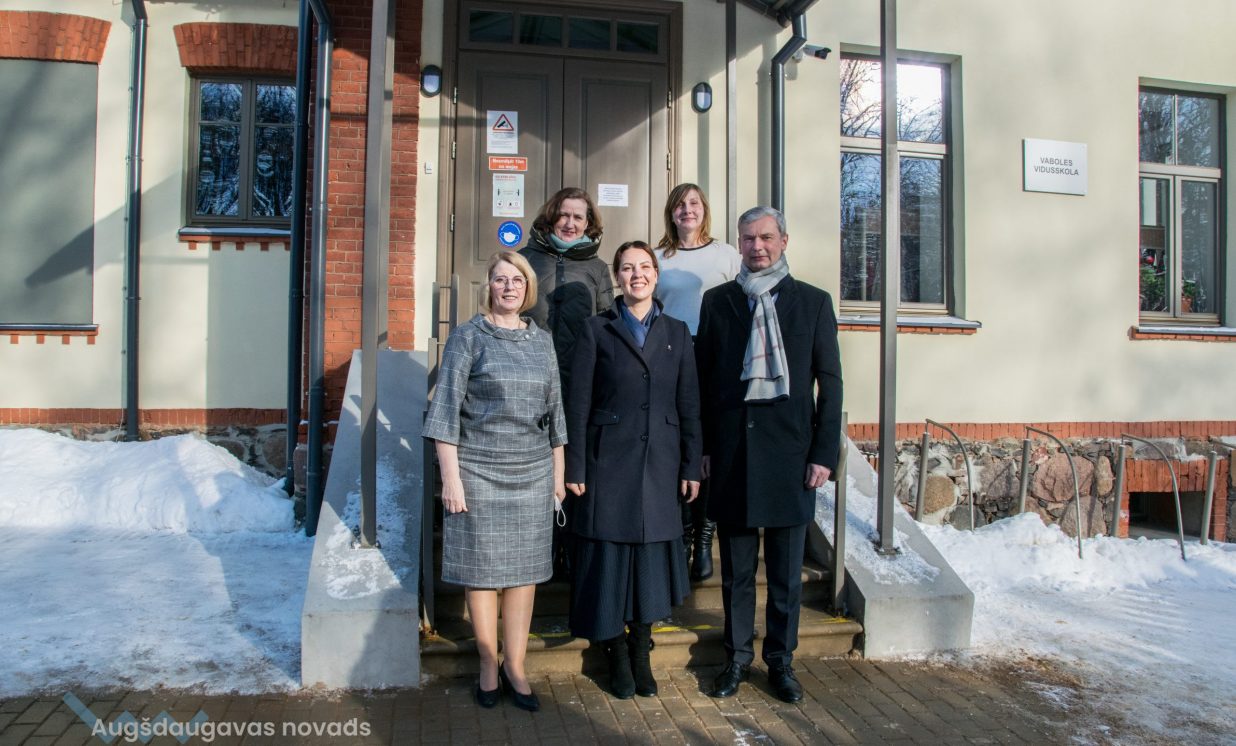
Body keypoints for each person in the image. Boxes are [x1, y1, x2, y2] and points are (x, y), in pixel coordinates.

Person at [695, 206, 843, 704]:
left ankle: (780, 661)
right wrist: (704, 448)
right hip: (733, 455)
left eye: (765, 238)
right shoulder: (717, 302)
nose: (756, 247)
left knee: (784, 576)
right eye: (748, 238)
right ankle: (737, 659)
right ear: (738, 243)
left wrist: (824, 453)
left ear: (783, 241)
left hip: (791, 457)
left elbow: (830, 383)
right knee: (737, 573)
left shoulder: (814, 303)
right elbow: (703, 382)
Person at [422, 251, 566, 713]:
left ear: (528, 288)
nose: (509, 287)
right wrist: (451, 479)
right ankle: (487, 663)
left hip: (532, 472)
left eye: (517, 280)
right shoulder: (468, 338)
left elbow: (556, 414)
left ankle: (515, 666)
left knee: (525, 574)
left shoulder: (542, 341)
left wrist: (558, 476)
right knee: (481, 572)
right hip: (479, 471)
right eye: (501, 279)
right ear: (489, 286)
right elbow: (444, 412)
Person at [564, 241, 702, 700]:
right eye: (627, 268)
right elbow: (578, 403)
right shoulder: (595, 329)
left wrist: (691, 464)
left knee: (648, 567)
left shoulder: (678, 333)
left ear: (656, 275)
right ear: (618, 278)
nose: (636, 275)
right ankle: (616, 654)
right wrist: (575, 464)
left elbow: (689, 404)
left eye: (644, 267)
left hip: (661, 464)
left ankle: (641, 650)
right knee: (608, 563)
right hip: (607, 462)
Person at [520, 187, 614, 580]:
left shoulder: (597, 268)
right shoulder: (526, 259)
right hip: (531, 379)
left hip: (579, 382)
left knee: (574, 462)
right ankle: (540, 546)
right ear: (551, 216)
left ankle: (568, 547)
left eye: (579, 217)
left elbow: (608, 323)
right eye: (564, 215)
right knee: (535, 462)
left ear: (589, 224)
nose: (570, 223)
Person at [654, 183, 741, 582]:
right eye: (679, 205)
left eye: (694, 203)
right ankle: (683, 536)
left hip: (715, 359)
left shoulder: (727, 255)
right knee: (677, 446)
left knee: (707, 447)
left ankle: (705, 538)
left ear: (704, 209)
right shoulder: (658, 257)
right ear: (671, 213)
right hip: (670, 357)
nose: (687, 210)